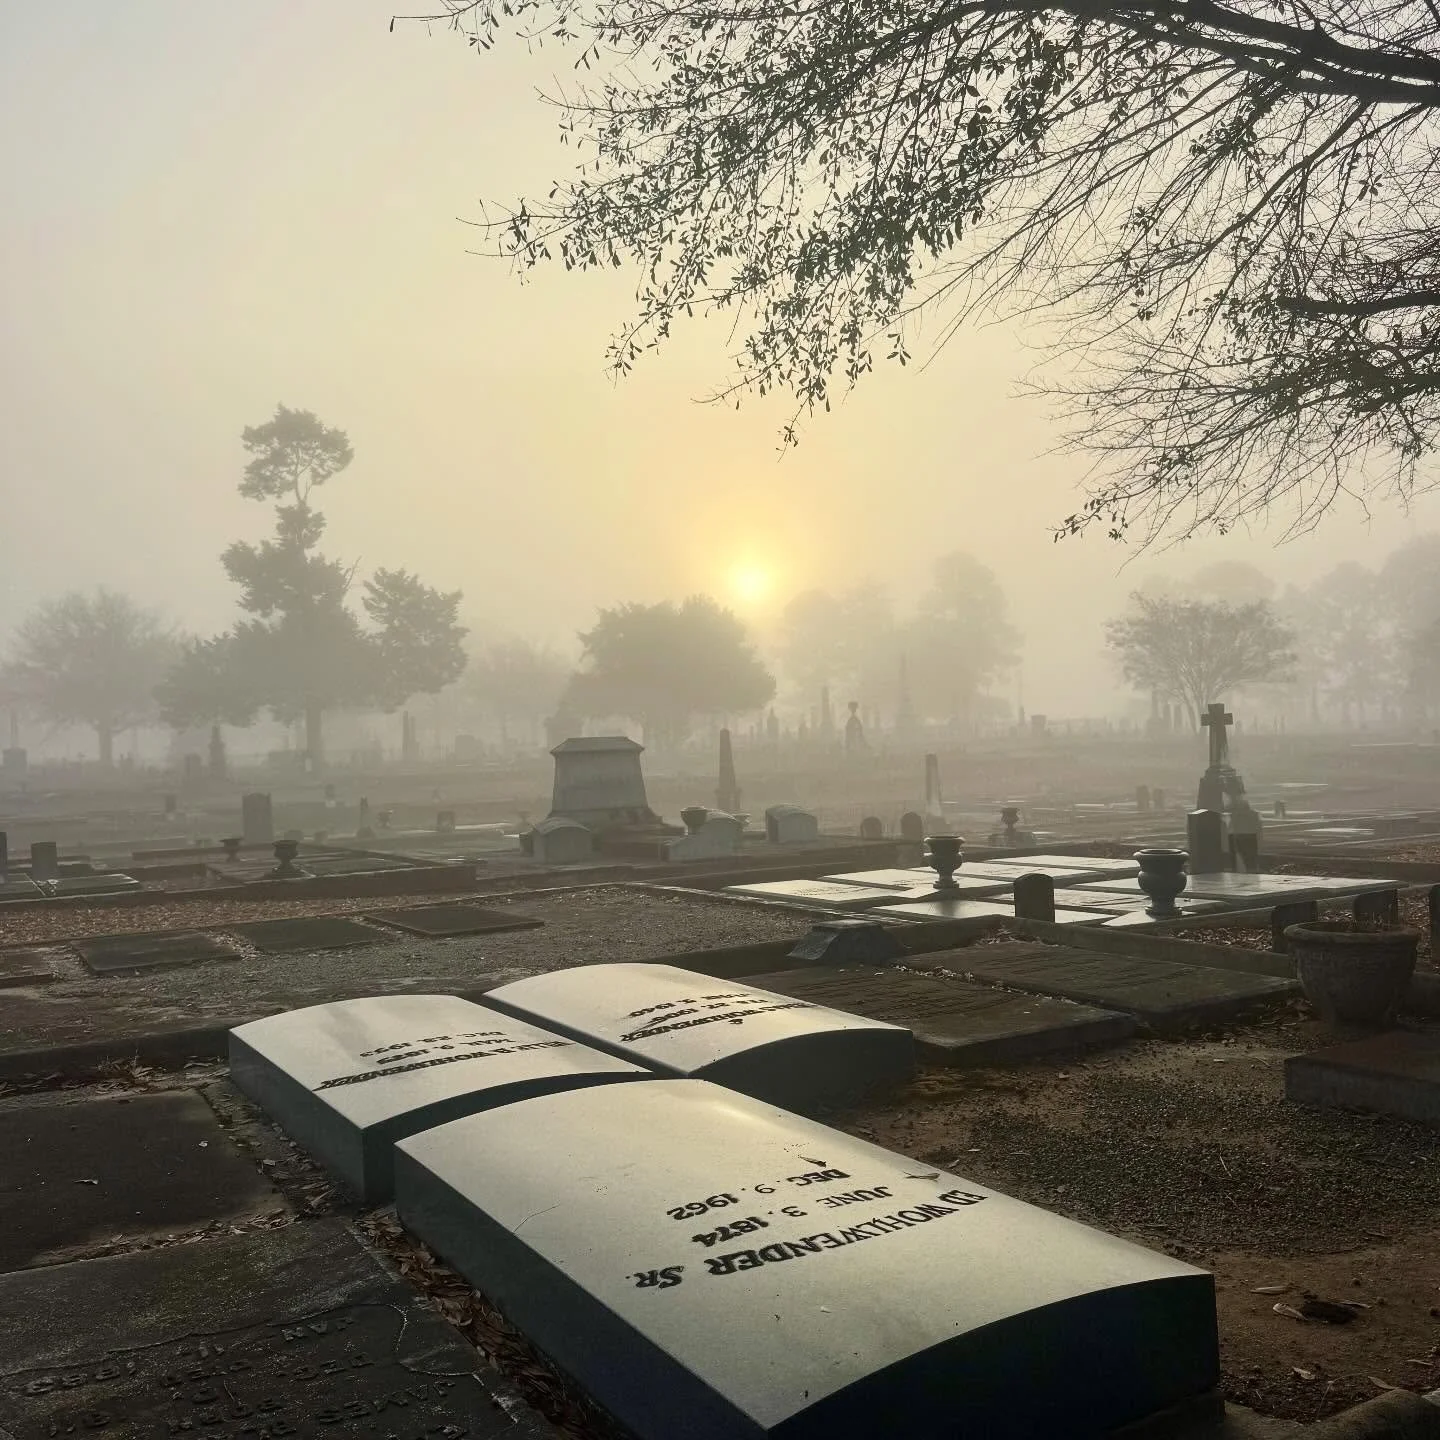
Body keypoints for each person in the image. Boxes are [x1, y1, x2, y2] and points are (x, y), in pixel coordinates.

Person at [1228, 798, 1263, 872]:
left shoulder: (1235, 815)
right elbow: (1258, 827)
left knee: (1243, 859)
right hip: (1251, 838)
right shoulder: (1254, 814)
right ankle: (1252, 873)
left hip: (1240, 838)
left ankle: (1246, 873)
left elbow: (1232, 827)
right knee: (1251, 860)